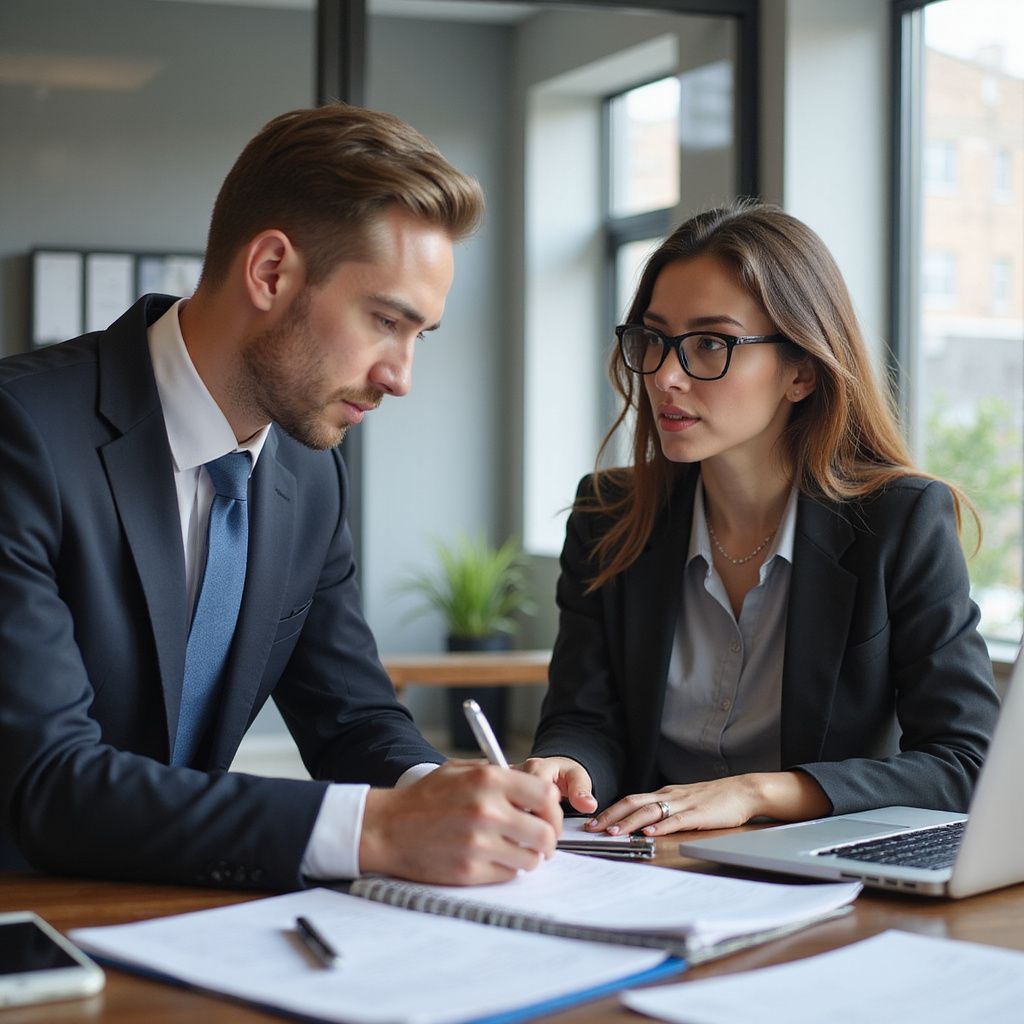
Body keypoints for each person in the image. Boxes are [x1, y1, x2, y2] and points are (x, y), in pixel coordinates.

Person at [0, 103, 561, 888]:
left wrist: (439, 792)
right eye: (385, 322)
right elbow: (48, 782)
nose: (401, 376)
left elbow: (353, 717)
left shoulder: (309, 473)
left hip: (186, 918)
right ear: (270, 271)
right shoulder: (20, 433)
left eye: (419, 336)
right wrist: (375, 831)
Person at [522, 202, 1000, 838]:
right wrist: (566, 765)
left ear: (800, 370)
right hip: (642, 863)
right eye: (655, 340)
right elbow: (586, 719)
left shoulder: (898, 521)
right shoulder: (606, 516)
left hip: (816, 878)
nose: (665, 376)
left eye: (710, 344)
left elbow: (966, 764)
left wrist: (757, 793)